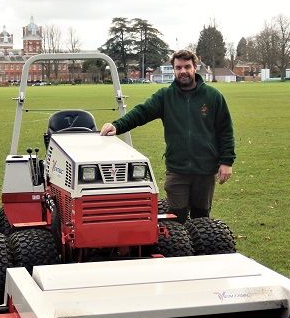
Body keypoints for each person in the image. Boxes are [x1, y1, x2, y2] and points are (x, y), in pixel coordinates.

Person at [100, 50, 235, 223]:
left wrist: (227, 162)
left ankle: (200, 250)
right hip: (177, 169)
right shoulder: (165, 96)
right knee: (175, 219)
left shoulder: (213, 97)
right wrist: (118, 125)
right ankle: (179, 249)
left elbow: (225, 130)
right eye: (178, 67)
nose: (183, 71)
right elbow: (141, 113)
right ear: (173, 70)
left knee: (201, 218)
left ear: (195, 68)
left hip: (205, 170)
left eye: (187, 66)